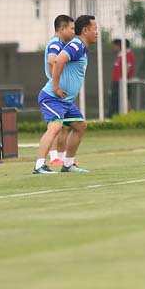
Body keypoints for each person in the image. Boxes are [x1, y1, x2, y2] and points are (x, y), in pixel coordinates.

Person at [34, 15, 98, 174]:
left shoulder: (81, 47)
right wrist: (55, 87)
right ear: (85, 30)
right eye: (95, 29)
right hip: (52, 97)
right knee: (55, 127)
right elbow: (57, 61)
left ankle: (68, 164)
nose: (97, 32)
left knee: (80, 126)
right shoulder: (76, 45)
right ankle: (39, 165)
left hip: (65, 101)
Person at [42, 14, 75, 167]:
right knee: (55, 126)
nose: (73, 32)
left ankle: (60, 158)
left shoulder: (60, 43)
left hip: (60, 92)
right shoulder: (56, 43)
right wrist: (56, 83)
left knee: (63, 127)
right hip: (54, 92)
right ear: (62, 29)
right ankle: (53, 157)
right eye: (71, 28)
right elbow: (51, 60)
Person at [108, 38, 135, 117]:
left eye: (114, 46)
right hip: (116, 81)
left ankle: (127, 115)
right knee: (119, 100)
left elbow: (128, 67)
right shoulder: (120, 55)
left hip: (122, 82)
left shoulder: (128, 54)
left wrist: (122, 78)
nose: (113, 48)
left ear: (120, 46)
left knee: (124, 99)